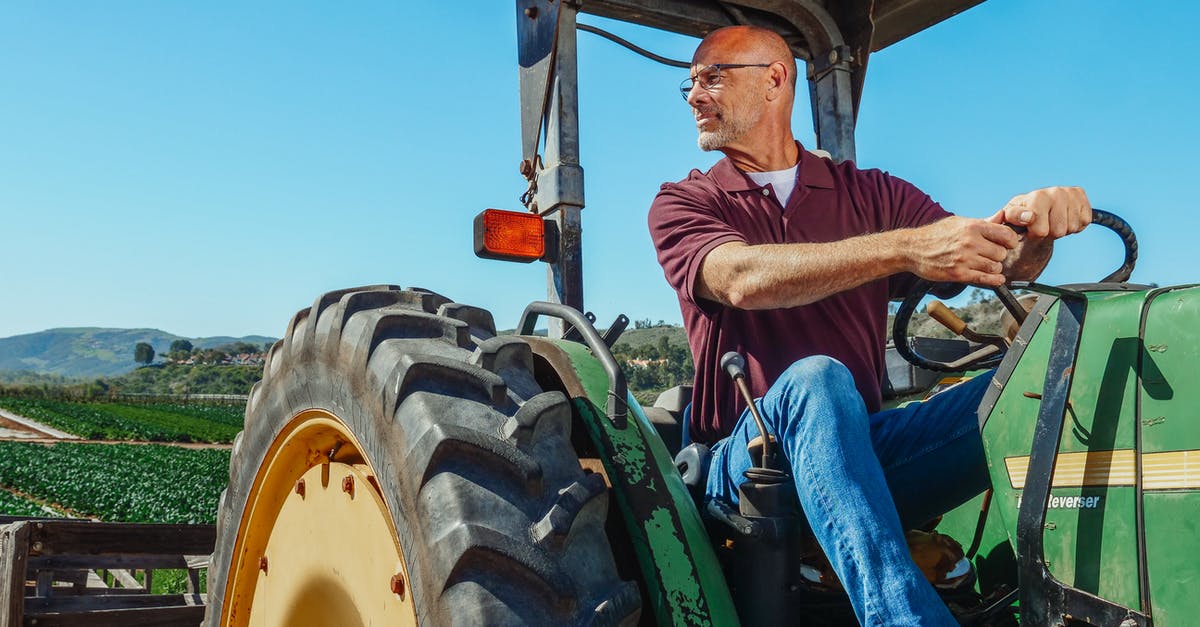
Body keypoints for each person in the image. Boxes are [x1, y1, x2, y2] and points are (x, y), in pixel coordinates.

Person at [648, 25, 1091, 625]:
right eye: (691, 83)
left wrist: (1034, 232)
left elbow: (989, 260)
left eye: (712, 77)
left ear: (776, 79)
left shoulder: (871, 195)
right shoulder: (686, 202)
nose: (695, 95)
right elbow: (740, 277)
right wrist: (905, 251)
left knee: (1036, 384)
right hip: (744, 462)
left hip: (863, 453)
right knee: (817, 381)